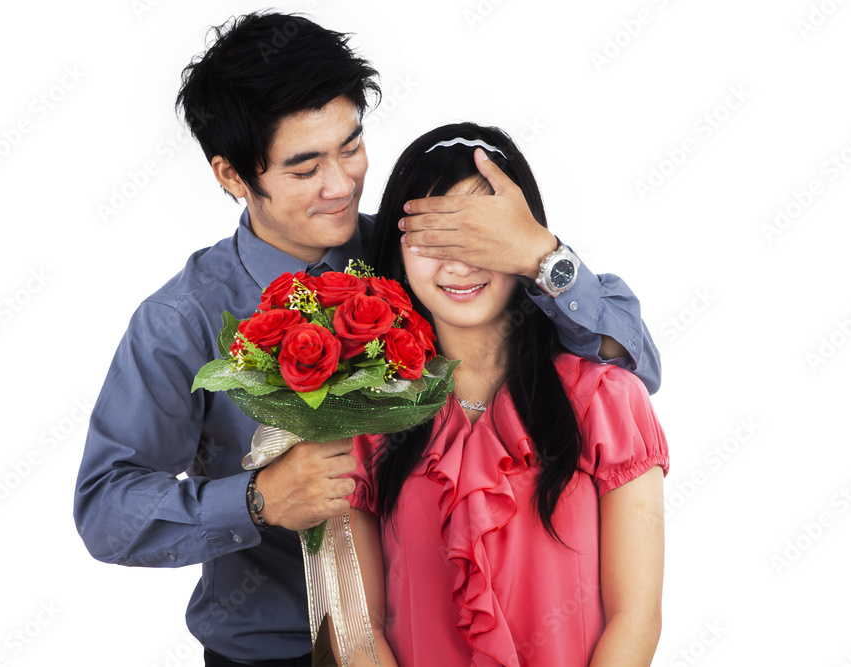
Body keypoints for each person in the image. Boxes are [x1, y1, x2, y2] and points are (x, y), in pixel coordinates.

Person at [72, 12, 662, 667]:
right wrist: (259, 499)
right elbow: (105, 509)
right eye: (304, 168)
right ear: (233, 176)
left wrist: (542, 255)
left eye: (350, 147)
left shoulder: (424, 255)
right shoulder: (181, 320)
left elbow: (630, 364)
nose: (341, 184)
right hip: (276, 650)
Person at [344, 123, 669, 666]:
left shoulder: (607, 398)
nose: (459, 261)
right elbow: (360, 630)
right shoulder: (367, 412)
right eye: (435, 235)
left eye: (482, 234)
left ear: (523, 242)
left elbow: (637, 617)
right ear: (397, 252)